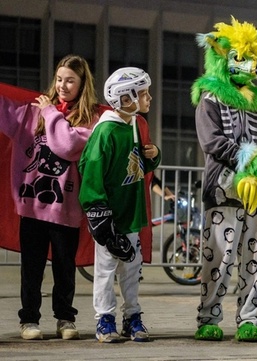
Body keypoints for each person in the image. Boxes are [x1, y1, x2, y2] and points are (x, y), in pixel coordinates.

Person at [191, 17, 257, 342]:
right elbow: (211, 142)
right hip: (221, 191)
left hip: (255, 193)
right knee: (218, 257)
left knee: (253, 261)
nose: (249, 65)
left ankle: (249, 319)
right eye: (240, 57)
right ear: (222, 57)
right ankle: (207, 318)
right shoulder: (210, 98)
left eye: (251, 58)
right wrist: (248, 159)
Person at [0, 55, 99, 340]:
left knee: (64, 269)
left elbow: (67, 145)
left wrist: (51, 113)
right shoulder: (34, 111)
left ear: (82, 85)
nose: (62, 85)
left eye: (70, 80)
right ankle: (29, 320)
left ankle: (65, 318)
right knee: (31, 268)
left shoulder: (89, 119)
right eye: (59, 79)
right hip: (32, 205)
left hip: (65, 207)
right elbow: (6, 109)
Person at [78, 67, 161, 343]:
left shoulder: (133, 125)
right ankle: (104, 318)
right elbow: (90, 171)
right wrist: (101, 221)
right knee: (105, 270)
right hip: (110, 218)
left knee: (132, 270)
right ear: (126, 99)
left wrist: (153, 157)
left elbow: (133, 167)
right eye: (144, 93)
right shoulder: (106, 131)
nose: (149, 98)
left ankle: (132, 317)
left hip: (131, 215)